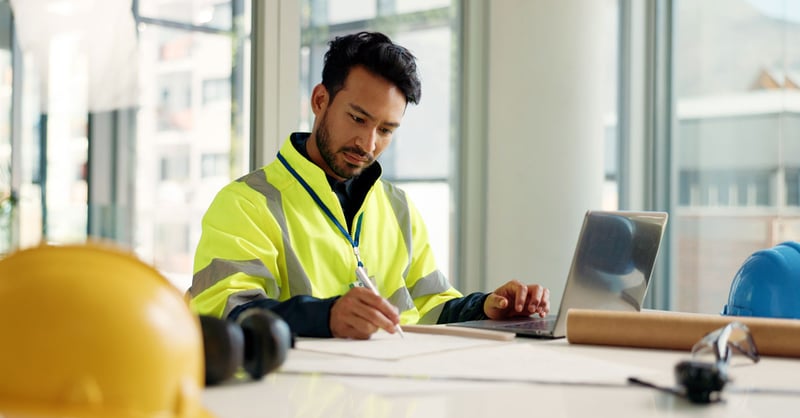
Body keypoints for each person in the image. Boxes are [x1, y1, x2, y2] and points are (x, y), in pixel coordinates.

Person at [188, 31, 550, 339]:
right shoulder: (244, 204)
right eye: (358, 118)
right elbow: (225, 313)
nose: (368, 142)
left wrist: (486, 308)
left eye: (386, 129)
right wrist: (326, 317)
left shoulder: (398, 206)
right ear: (320, 100)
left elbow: (428, 306)